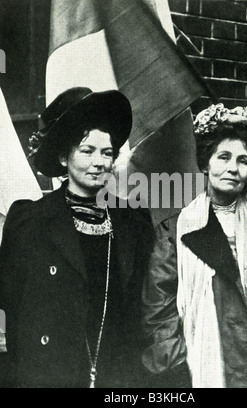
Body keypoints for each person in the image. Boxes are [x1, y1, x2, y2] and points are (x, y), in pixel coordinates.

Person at [0, 87, 155, 388]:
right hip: (49, 372)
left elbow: (140, 305)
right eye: (87, 150)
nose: (99, 162)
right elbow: (12, 303)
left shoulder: (133, 221)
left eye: (107, 152)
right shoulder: (29, 220)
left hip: (117, 376)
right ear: (63, 156)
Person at [141, 103, 247, 388]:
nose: (232, 168)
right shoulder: (175, 231)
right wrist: (185, 369)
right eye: (223, 157)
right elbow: (158, 312)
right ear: (205, 163)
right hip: (200, 371)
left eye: (243, 161)